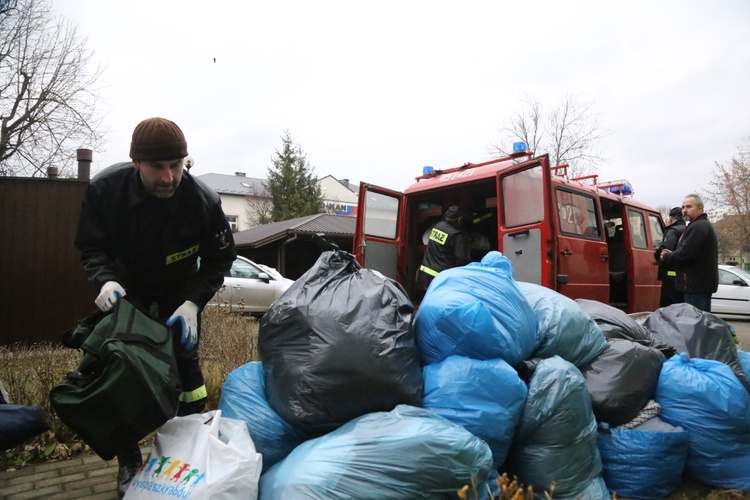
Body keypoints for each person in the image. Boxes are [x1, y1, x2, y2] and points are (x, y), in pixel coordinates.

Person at [74, 117, 237, 497]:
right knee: (116, 369)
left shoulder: (203, 201)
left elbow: (220, 259)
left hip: (178, 291)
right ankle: (129, 458)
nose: (169, 178)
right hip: (122, 288)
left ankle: (187, 452)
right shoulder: (104, 191)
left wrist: (194, 302)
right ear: (136, 163)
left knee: (186, 369)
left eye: (177, 165)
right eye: (157, 167)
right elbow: (91, 246)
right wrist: (104, 278)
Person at [660, 193, 718, 312]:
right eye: (683, 207)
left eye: (689, 207)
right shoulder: (698, 225)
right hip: (698, 285)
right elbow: (689, 251)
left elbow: (686, 254)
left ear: (700, 209)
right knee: (701, 322)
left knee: (693, 324)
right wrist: (673, 253)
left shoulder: (698, 227)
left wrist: (666, 256)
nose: (685, 210)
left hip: (695, 286)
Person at [417, 205, 472, 290]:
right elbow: (463, 261)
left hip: (425, 275)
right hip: (441, 279)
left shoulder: (438, 226)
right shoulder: (456, 235)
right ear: (459, 219)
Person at [655, 206, 687, 307]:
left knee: (668, 306)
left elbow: (665, 249)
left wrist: (657, 254)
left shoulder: (673, 231)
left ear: (670, 218)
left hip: (671, 276)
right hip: (684, 277)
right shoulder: (688, 230)